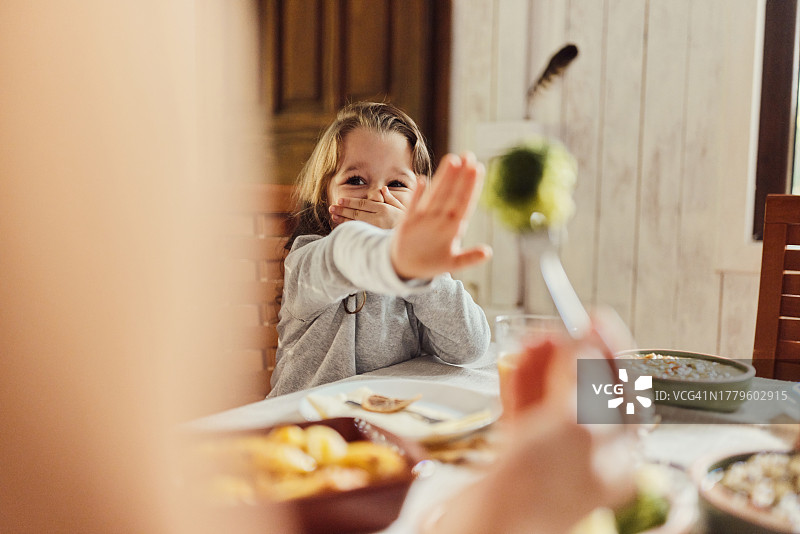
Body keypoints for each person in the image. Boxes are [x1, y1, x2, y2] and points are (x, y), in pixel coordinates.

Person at [269, 102, 492, 396]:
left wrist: (421, 268)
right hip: (305, 425)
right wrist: (396, 253)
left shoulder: (418, 276)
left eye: (397, 183)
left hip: (385, 422)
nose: (377, 196)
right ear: (325, 196)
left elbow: (469, 347)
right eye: (356, 180)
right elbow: (343, 251)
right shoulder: (306, 261)